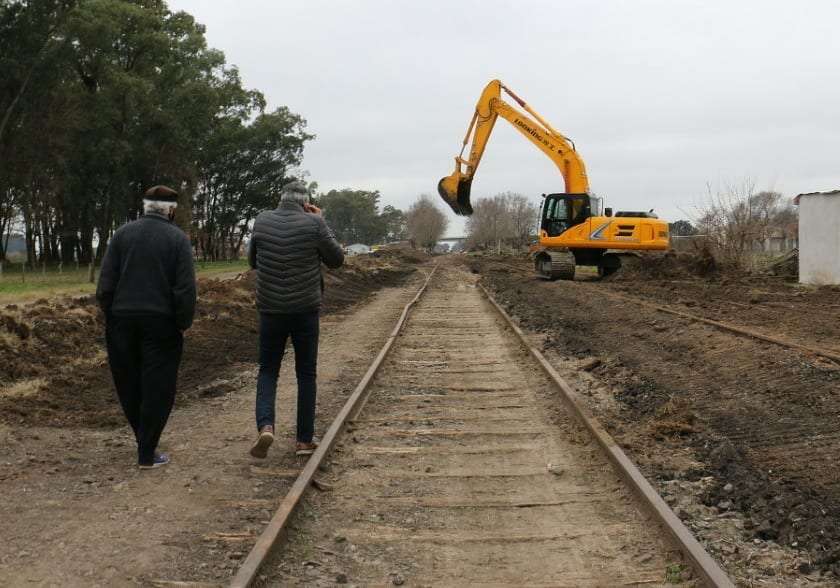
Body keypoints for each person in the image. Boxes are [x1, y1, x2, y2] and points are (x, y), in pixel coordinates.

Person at [96, 185, 196, 469]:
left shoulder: (122, 235)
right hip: (161, 324)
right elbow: (185, 289)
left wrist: (111, 314)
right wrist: (182, 323)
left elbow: (105, 284)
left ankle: (143, 441)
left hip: (121, 321)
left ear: (145, 207)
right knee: (158, 387)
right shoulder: (178, 240)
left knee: (129, 384)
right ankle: (146, 450)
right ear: (171, 210)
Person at [247, 180, 344, 458]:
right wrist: (322, 222)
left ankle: (266, 425)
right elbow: (337, 259)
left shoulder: (261, 221)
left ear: (281, 199)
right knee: (306, 373)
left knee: (268, 370)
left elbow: (253, 261)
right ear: (306, 204)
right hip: (304, 311)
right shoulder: (314, 225)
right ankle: (303, 440)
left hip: (270, 311)